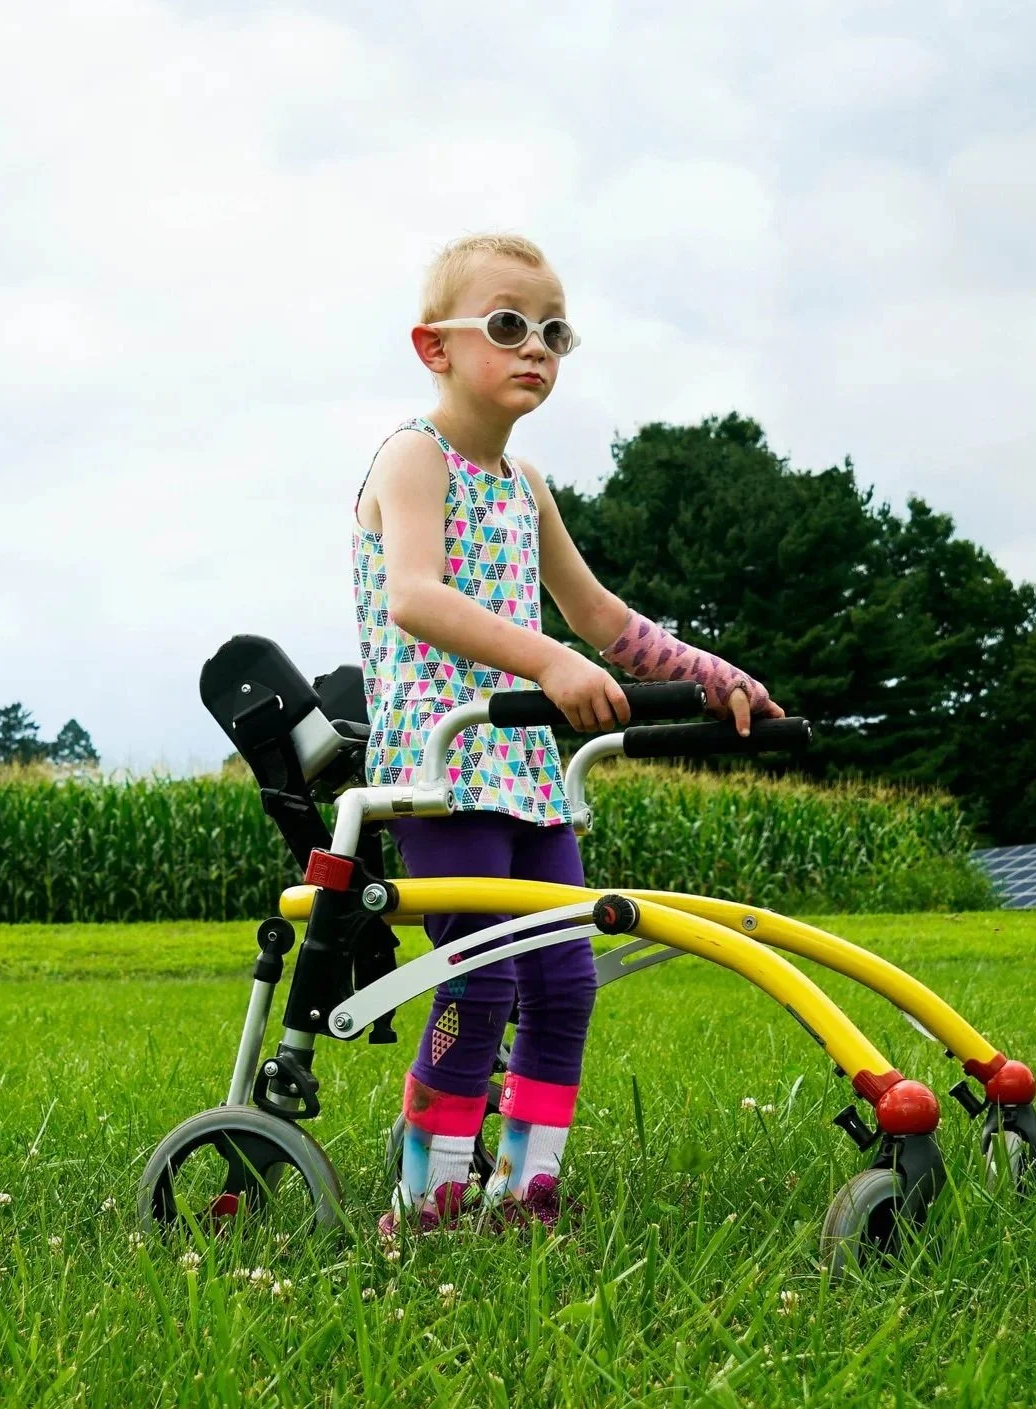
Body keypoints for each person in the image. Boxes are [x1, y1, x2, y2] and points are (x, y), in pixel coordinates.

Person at [354, 233, 782, 1234]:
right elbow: (416, 595)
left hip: (529, 771)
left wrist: (715, 676)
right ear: (435, 347)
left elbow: (598, 618)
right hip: (446, 764)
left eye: (553, 331)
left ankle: (526, 1188)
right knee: (480, 978)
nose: (535, 347)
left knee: (562, 979)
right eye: (507, 326)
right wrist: (543, 663)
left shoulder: (524, 484)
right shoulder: (415, 456)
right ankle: (426, 1200)